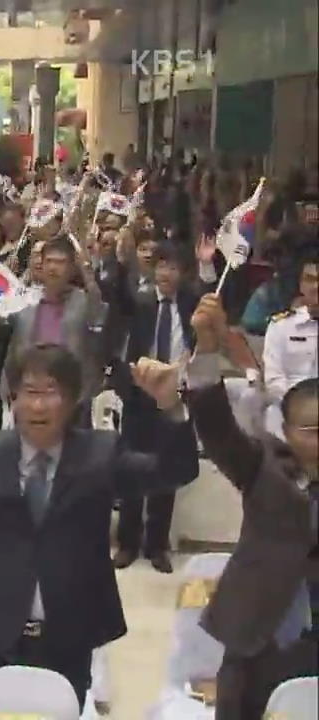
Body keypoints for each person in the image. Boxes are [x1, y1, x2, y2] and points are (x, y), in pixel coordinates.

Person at [0, 344, 199, 715]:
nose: (38, 406)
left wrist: (171, 407)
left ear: (72, 401)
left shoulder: (101, 454)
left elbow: (175, 471)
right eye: (29, 392)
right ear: (13, 398)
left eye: (50, 392)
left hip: (66, 637)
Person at [185, 294, 318, 719]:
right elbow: (217, 428)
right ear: (288, 430)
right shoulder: (264, 467)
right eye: (312, 429)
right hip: (257, 641)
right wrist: (208, 354)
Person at [113, 242, 200, 573]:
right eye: (161, 266)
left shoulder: (190, 305)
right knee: (132, 470)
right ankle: (128, 543)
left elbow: (210, 300)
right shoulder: (142, 302)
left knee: (166, 473)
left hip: (174, 399)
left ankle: (157, 545)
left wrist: (206, 266)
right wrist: (120, 262)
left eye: (173, 267)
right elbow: (118, 298)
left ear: (183, 273)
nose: (166, 273)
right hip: (139, 398)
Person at [2, 236, 105, 420]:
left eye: (60, 262)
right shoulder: (27, 301)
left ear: (72, 268)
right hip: (31, 393)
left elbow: (98, 319)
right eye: (49, 261)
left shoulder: (83, 300)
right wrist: (10, 389)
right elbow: (14, 346)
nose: (53, 268)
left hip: (72, 398)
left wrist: (87, 274)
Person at [261, 250, 318, 439]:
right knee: (273, 418)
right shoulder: (282, 326)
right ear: (301, 285)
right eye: (310, 279)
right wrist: (301, 407)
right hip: (289, 408)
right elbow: (274, 379)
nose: (316, 286)